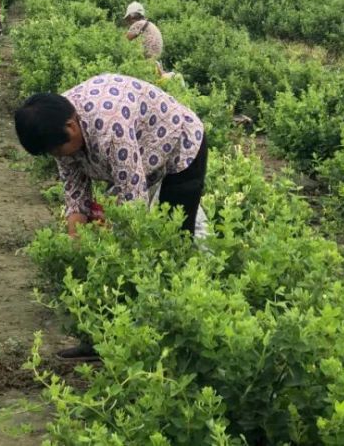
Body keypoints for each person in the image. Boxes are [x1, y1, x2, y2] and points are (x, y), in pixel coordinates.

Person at [14, 74, 208, 359]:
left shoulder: (110, 128)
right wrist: (77, 245)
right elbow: (75, 194)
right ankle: (102, 339)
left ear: (71, 126)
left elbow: (132, 203)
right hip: (141, 156)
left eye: (58, 149)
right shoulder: (56, 125)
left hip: (180, 148)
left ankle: (168, 339)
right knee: (98, 252)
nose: (58, 156)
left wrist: (107, 243)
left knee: (173, 244)